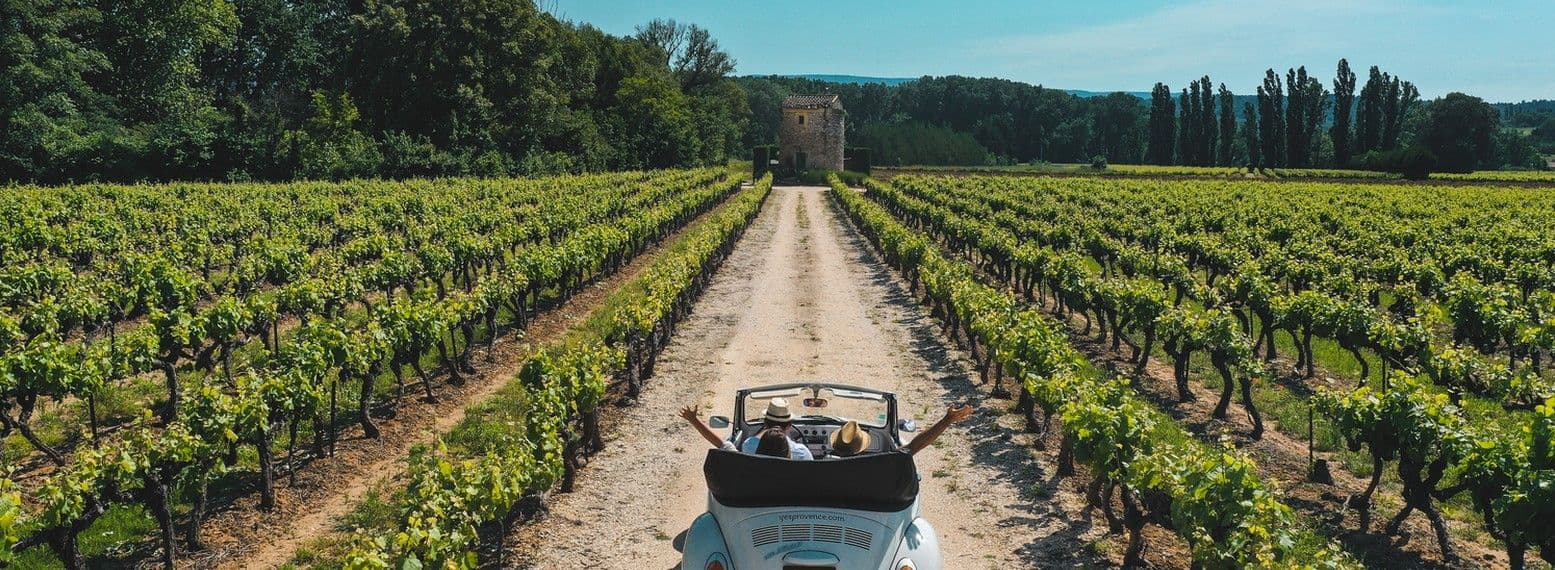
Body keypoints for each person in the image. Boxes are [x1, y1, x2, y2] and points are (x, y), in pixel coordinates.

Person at [679, 399, 813, 460]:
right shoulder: (802, 453)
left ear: (765, 422)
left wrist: (694, 420)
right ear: (789, 426)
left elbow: (721, 444)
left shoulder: (749, 447)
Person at [828, 404, 973, 458]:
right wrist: (947, 420)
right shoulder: (876, 464)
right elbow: (914, 446)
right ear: (861, 447)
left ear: (835, 444)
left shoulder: (818, 466)